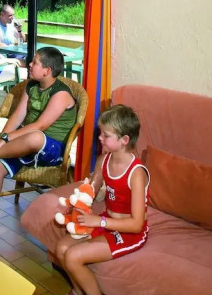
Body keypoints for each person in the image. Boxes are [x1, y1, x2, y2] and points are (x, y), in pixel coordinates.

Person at [0, 47, 77, 248]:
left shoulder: (60, 93)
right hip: (26, 145)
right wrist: (1, 141)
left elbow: (40, 126)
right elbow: (17, 117)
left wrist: (4, 140)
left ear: (47, 70)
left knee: (35, 136)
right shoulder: (31, 86)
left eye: (35, 62)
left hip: (51, 150)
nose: (29, 64)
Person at [54, 105, 150, 295]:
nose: (100, 138)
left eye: (106, 135)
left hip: (129, 232)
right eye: (100, 133)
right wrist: (76, 208)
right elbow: (89, 193)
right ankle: (77, 291)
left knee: (73, 256)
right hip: (107, 222)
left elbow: (137, 224)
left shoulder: (136, 173)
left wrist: (98, 221)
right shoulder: (104, 160)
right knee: (61, 247)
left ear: (124, 140)